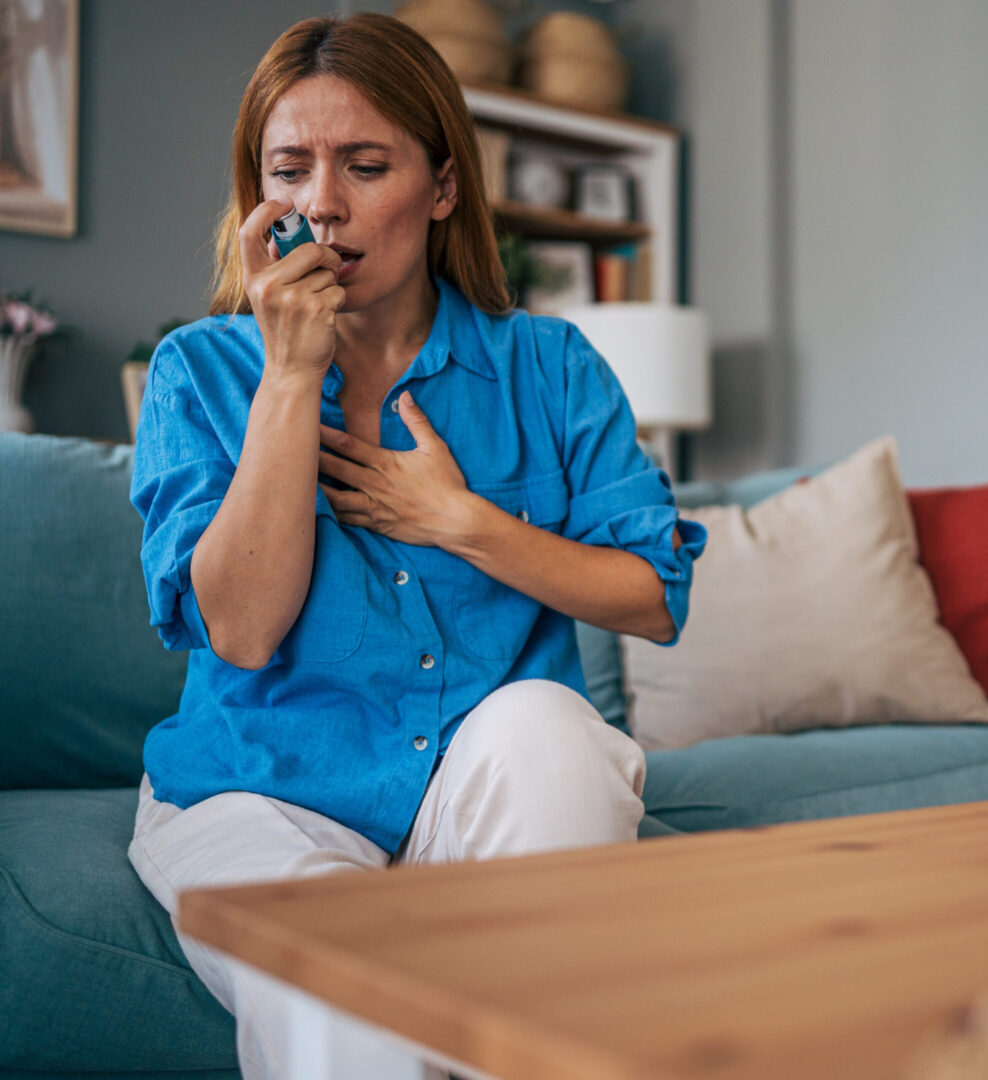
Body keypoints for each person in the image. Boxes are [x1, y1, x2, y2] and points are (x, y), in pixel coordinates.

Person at [125, 14, 705, 1079]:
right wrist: (292, 377)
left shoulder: (550, 365)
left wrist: (462, 521)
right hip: (257, 792)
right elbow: (242, 633)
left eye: (366, 164)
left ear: (441, 186)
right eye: (289, 169)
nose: (321, 205)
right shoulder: (200, 372)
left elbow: (651, 598)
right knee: (348, 988)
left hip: (474, 785)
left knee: (550, 725)